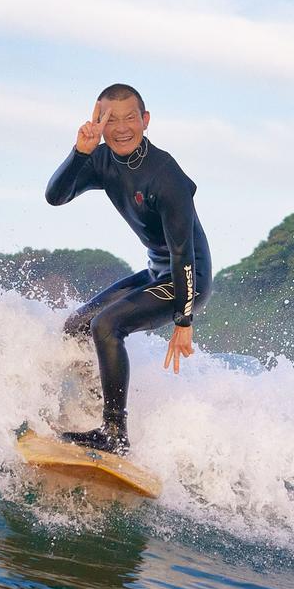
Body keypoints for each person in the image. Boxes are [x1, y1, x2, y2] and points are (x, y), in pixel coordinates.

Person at [45, 83, 212, 454]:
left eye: (130, 118)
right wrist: (79, 153)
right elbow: (56, 197)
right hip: (156, 274)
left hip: (188, 280)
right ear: (99, 123)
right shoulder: (102, 160)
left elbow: (184, 252)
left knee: (106, 325)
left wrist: (183, 321)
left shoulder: (166, 176)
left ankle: (115, 433)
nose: (121, 128)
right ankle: (98, 404)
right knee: (77, 326)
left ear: (145, 120)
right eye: (111, 119)